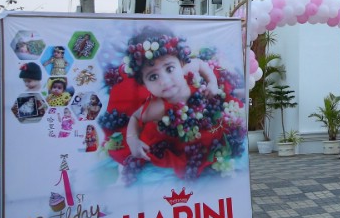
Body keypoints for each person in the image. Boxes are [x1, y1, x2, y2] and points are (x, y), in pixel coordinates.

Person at [102, 25, 247, 183]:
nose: (165, 80)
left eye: (169, 68)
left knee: (222, 92)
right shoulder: (158, 108)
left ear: (182, 64)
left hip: (205, 95)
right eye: (153, 77)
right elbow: (135, 118)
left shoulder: (189, 70)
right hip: (189, 127)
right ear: (143, 84)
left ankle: (234, 92)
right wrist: (132, 139)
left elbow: (201, 65)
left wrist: (212, 83)